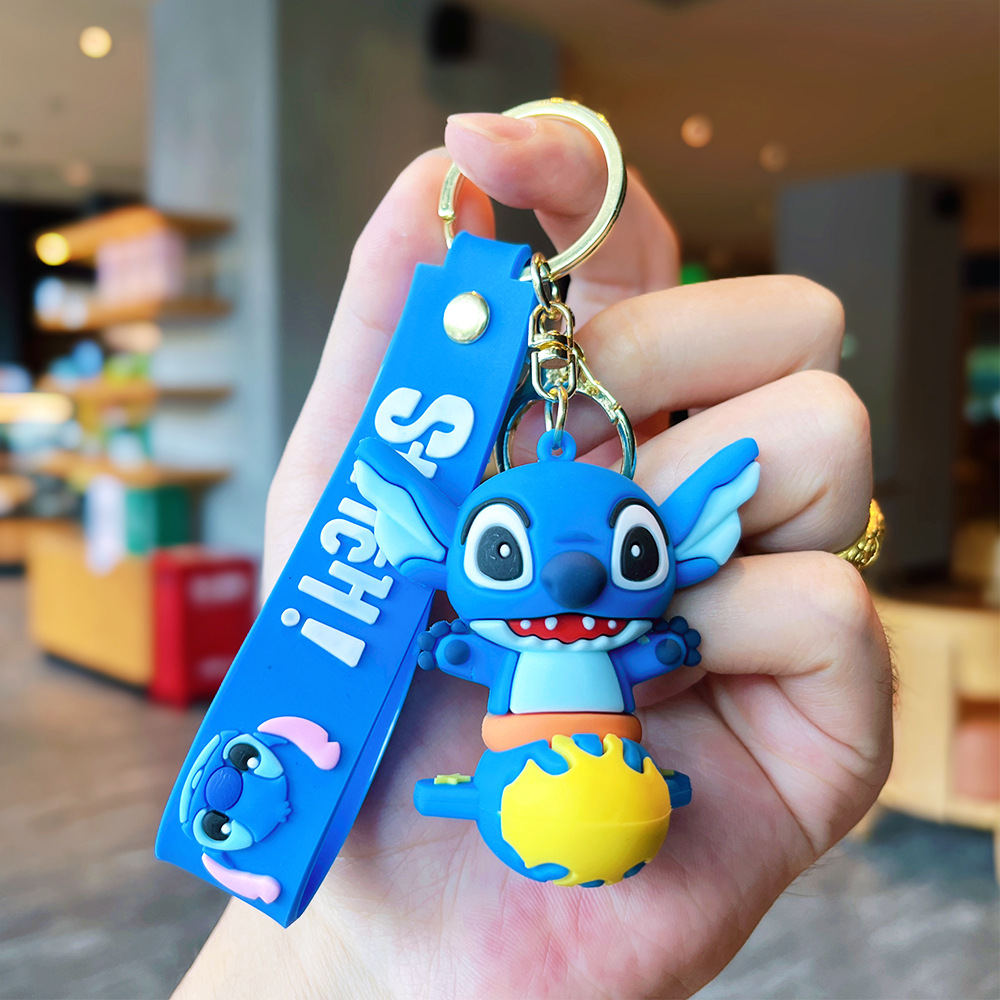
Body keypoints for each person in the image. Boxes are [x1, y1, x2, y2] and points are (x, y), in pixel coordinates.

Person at [174, 112, 893, 999]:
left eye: (632, 552)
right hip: (527, 779)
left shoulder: (579, 624)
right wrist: (348, 964)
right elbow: (490, 652)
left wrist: (661, 647)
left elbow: (593, 653)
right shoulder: (454, 591)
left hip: (600, 776)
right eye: (506, 556)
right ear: (435, 550)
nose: (572, 579)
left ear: (682, 548)